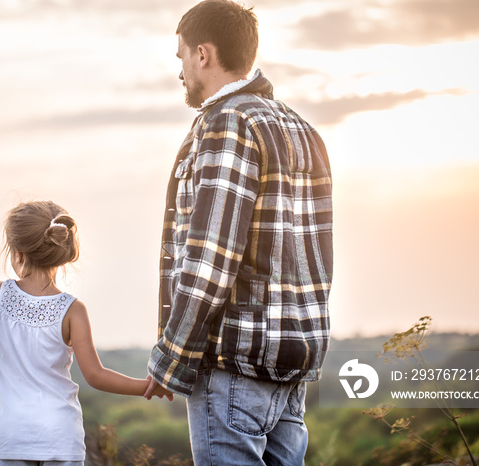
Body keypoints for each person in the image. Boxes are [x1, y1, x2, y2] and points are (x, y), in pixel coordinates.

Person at [144, 1, 333, 464]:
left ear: (203, 54)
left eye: (182, 56)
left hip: (233, 367)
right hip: (290, 368)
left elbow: (210, 259)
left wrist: (170, 357)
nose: (182, 68)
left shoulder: (227, 124)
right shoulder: (301, 128)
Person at [0, 200, 172, 466]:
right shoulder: (73, 310)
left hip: (12, 435)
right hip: (60, 434)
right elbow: (96, 375)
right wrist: (146, 387)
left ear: (19, 254)